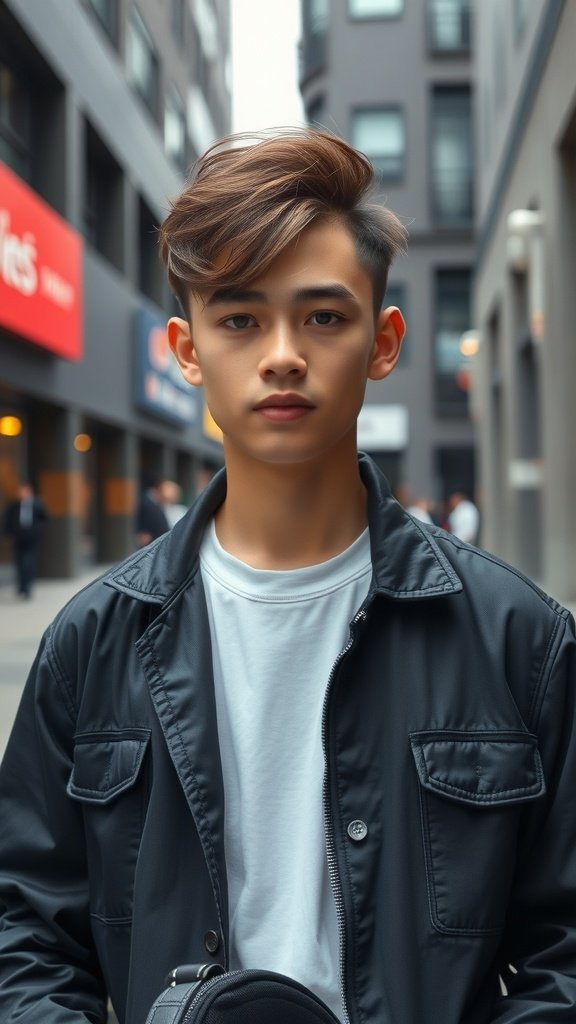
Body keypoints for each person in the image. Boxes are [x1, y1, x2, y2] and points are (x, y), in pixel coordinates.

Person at [0, 128, 574, 1024]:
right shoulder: (92, 643)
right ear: (188, 351)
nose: (281, 353)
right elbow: (25, 935)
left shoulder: (518, 640)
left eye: (322, 316)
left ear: (383, 342)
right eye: (238, 319)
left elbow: (564, 954)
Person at [3, 481, 48, 598]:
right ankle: (21, 587)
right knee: (19, 563)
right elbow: (7, 521)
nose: (20, 493)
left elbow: (44, 520)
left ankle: (27, 588)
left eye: (23, 491)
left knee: (28, 562)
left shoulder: (37, 504)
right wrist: (9, 535)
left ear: (28, 491)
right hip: (18, 539)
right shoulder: (14, 506)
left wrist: (36, 532)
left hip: (31, 539)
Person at [135, 478, 170, 547]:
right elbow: (140, 517)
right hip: (150, 537)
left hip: (158, 537)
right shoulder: (145, 500)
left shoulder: (157, 501)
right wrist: (142, 532)